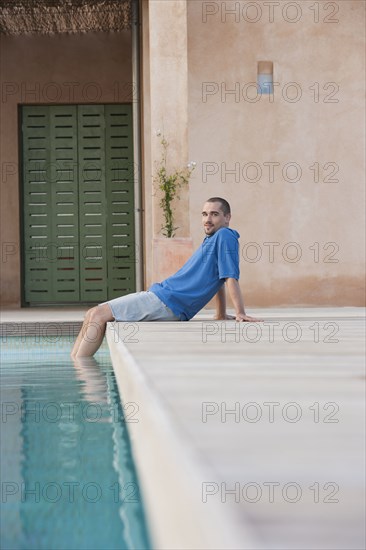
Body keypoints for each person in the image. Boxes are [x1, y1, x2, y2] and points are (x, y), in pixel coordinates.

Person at [71, 197, 262, 358]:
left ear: (227, 218)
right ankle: (75, 364)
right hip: (162, 297)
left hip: (167, 301)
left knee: (97, 314)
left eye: (214, 214)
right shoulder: (212, 238)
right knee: (91, 314)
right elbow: (219, 278)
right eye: (204, 214)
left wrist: (240, 312)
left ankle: (81, 376)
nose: (207, 219)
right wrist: (220, 314)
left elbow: (229, 277)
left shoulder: (226, 236)